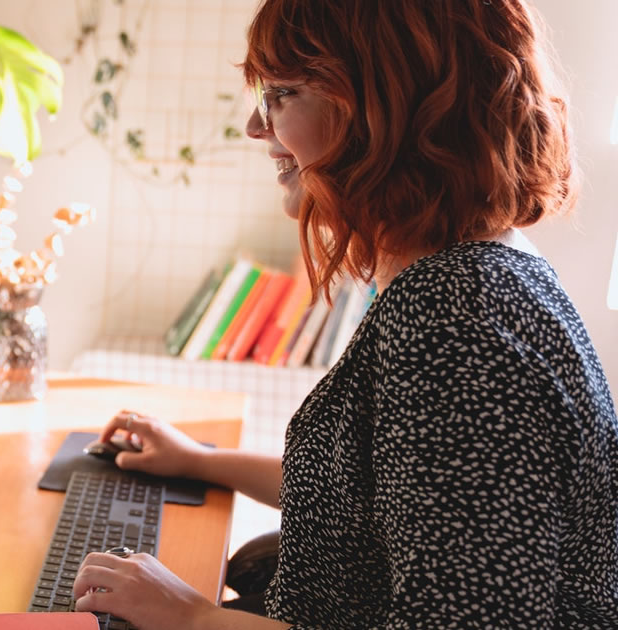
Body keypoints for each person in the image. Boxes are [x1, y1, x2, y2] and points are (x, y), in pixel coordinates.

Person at [72, 0, 618, 628]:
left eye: (282, 93)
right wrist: (199, 460)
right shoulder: (480, 267)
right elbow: (379, 495)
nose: (256, 125)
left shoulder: (458, 324)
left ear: (386, 108)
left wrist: (191, 616)